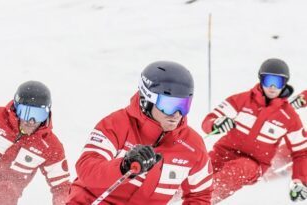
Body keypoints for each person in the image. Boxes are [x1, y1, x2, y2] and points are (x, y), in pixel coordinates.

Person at [67, 61, 213, 205]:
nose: (176, 114)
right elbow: (86, 169)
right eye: (168, 105)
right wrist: (123, 167)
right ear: (147, 100)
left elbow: (200, 195)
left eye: (183, 105)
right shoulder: (117, 124)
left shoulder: (192, 146)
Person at [201, 58, 307, 203]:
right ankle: (171, 196)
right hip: (223, 152)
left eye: (279, 82)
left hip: (253, 163)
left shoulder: (289, 117)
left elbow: (301, 152)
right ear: (261, 79)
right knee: (199, 172)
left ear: (285, 84)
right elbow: (210, 119)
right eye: (268, 80)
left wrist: (299, 181)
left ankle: (204, 200)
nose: (272, 87)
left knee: (238, 169)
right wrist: (215, 124)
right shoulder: (242, 99)